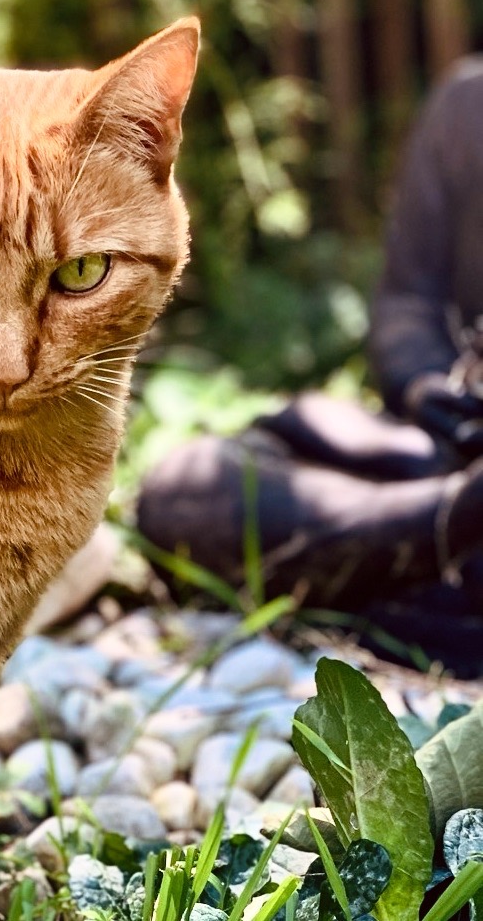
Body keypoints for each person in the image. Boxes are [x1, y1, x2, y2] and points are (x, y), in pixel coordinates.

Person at [136, 55, 483, 674]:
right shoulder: (467, 107)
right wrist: (431, 381)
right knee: (186, 490)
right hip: (441, 458)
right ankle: (443, 524)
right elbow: (407, 305)